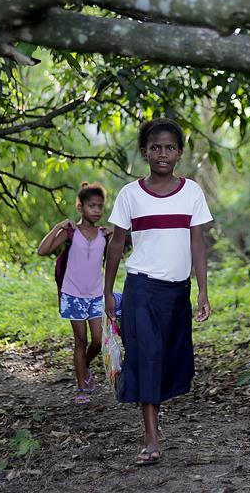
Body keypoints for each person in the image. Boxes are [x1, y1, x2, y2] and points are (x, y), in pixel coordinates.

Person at [103, 118, 213, 466]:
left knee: (168, 359)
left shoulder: (192, 192)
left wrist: (202, 291)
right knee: (146, 357)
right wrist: (107, 291)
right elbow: (117, 246)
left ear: (179, 152)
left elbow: (198, 243)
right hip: (141, 290)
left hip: (177, 293)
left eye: (169, 148)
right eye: (155, 147)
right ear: (144, 152)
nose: (162, 154)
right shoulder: (130, 195)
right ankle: (151, 437)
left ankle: (155, 424)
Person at [37, 181, 108, 405]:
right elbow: (42, 250)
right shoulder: (70, 233)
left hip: (95, 294)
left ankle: (83, 367)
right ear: (80, 207)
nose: (96, 211)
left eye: (100, 207)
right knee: (81, 340)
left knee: (97, 341)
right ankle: (82, 387)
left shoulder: (104, 234)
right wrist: (58, 226)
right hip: (73, 294)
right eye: (92, 206)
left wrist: (119, 231)